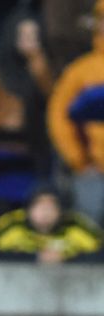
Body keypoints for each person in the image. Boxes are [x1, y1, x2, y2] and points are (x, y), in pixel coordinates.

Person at [0, 8, 54, 220]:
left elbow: (53, 100)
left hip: (34, 155)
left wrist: (38, 63)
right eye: (24, 36)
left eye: (34, 36)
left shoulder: (41, 67)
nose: (30, 42)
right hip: (2, 157)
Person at [48, 0, 104, 227]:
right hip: (94, 170)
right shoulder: (81, 71)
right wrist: (80, 160)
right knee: (88, 231)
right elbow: (60, 119)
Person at [0, 184, 104, 263]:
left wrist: (66, 259)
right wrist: (35, 258)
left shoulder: (74, 223)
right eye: (39, 205)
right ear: (29, 209)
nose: (45, 212)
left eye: (51, 206)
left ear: (61, 211)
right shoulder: (13, 222)